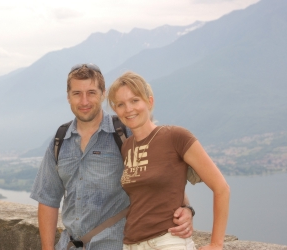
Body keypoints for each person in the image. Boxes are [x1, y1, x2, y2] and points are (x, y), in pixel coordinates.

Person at [30, 64, 195, 250]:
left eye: (91, 92)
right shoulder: (60, 140)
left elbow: (162, 177)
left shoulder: (124, 134)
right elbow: (48, 199)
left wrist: (186, 208)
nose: (84, 101)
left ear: (103, 94)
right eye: (77, 93)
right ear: (68, 97)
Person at [107, 71, 230, 250]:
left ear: (149, 101)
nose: (128, 109)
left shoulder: (176, 137)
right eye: (120, 104)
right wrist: (187, 207)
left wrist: (216, 244)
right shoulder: (127, 147)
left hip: (168, 242)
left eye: (135, 100)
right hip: (132, 243)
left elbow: (221, 188)